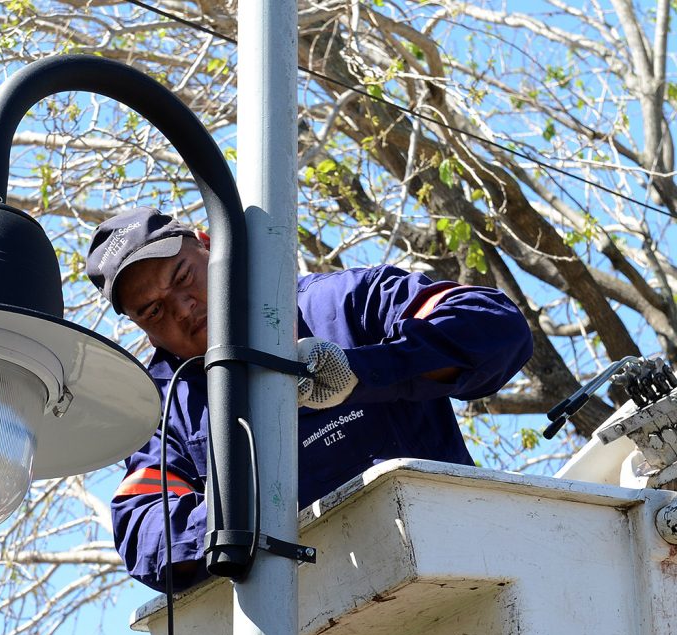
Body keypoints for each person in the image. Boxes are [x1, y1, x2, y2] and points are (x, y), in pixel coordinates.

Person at [85, 206, 533, 593]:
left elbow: (493, 326)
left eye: (182, 277)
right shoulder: (167, 403)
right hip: (311, 627)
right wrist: (245, 512)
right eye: (154, 311)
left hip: (461, 565)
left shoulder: (341, 304)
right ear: (141, 327)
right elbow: (142, 525)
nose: (182, 307)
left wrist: (363, 371)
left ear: (209, 245)